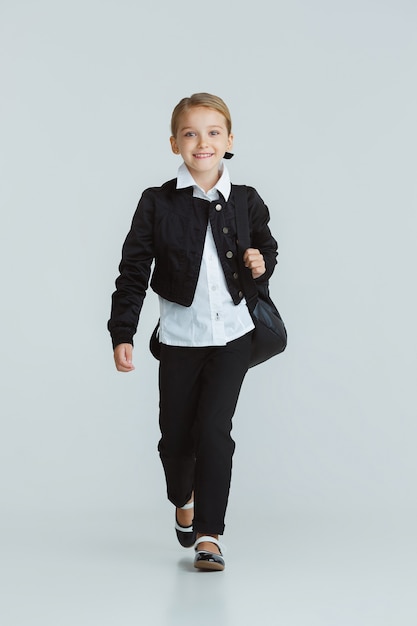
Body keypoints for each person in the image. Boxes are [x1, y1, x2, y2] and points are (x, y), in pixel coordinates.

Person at [108, 93, 278, 571]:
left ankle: (209, 534)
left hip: (233, 337)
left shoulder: (246, 199)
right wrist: (124, 330)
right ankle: (182, 499)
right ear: (174, 143)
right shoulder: (157, 202)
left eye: (212, 132)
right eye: (190, 133)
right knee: (175, 439)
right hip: (181, 339)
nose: (202, 142)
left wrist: (259, 266)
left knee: (214, 433)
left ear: (228, 141)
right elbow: (134, 268)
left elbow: (266, 249)